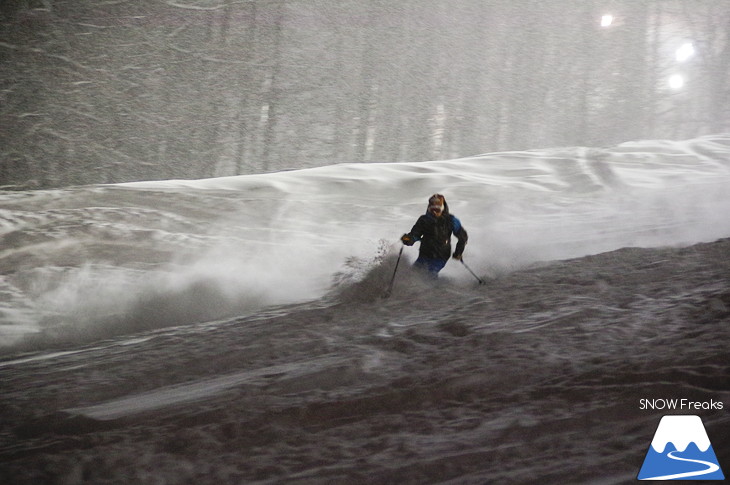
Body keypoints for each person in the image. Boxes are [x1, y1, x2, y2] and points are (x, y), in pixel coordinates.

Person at [400, 193, 468, 275]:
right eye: (432, 210)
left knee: (427, 276)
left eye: (438, 210)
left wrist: (458, 252)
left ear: (443, 208)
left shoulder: (451, 220)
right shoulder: (424, 220)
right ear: (429, 208)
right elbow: (415, 235)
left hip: (440, 256)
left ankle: (433, 286)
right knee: (412, 274)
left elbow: (462, 237)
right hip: (424, 254)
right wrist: (408, 239)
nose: (435, 213)